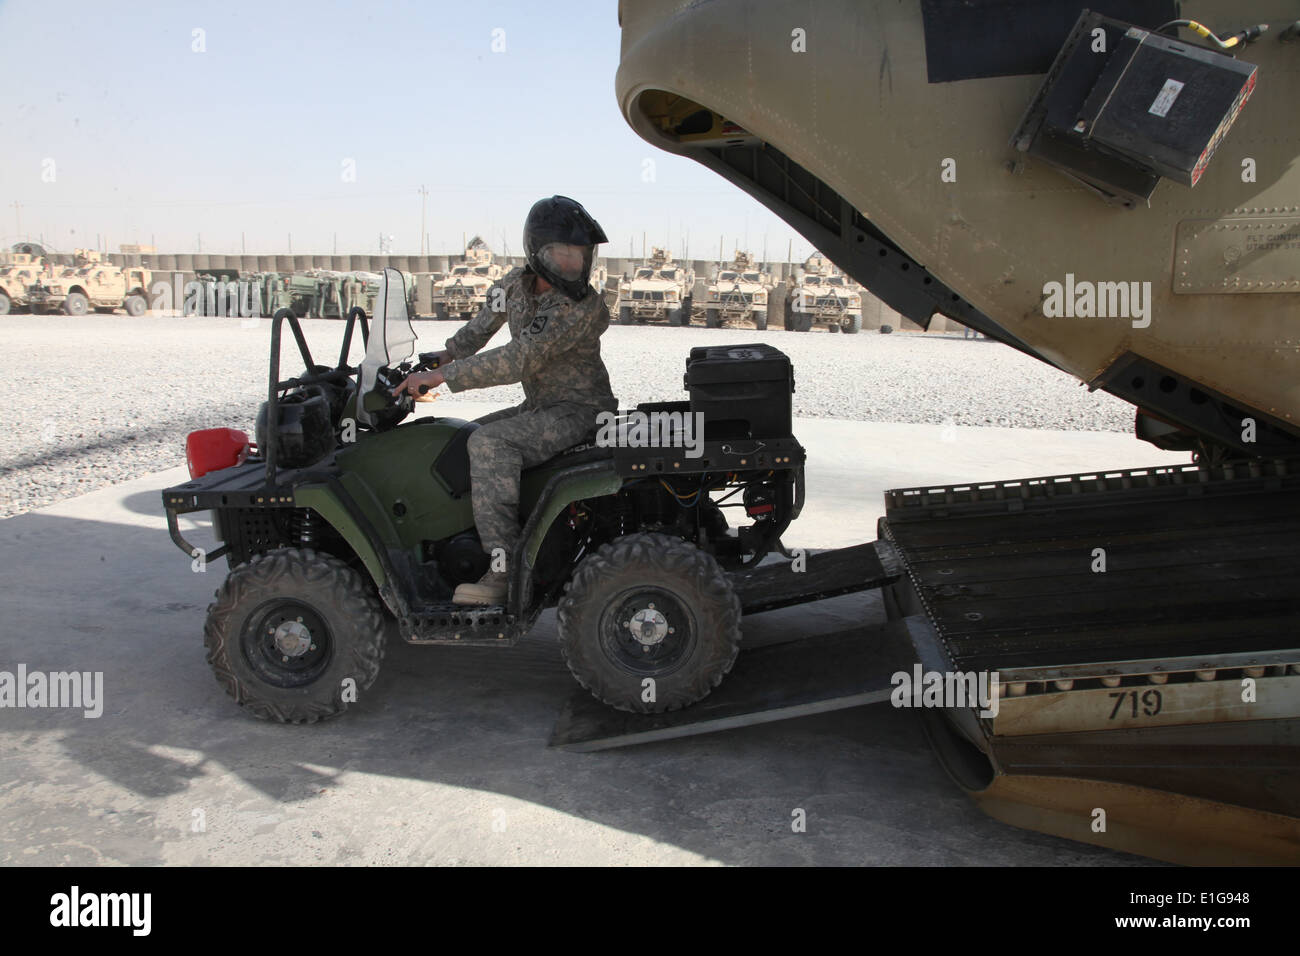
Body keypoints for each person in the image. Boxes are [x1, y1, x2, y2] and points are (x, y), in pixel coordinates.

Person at [392, 196, 617, 605]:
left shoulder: (578, 307)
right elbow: (481, 328)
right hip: (541, 405)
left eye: (580, 257)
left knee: (490, 444)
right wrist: (444, 356)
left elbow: (518, 359)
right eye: (562, 255)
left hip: (580, 410)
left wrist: (443, 377)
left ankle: (505, 571)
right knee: (464, 435)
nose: (573, 266)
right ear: (538, 252)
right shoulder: (513, 287)